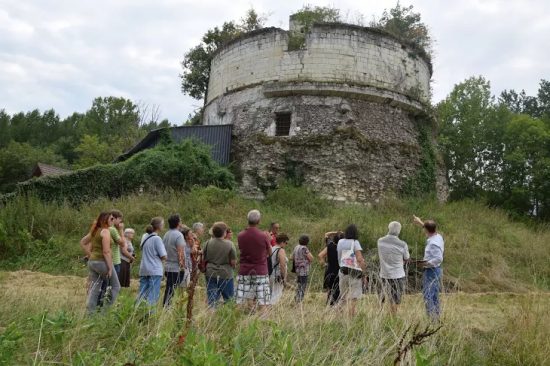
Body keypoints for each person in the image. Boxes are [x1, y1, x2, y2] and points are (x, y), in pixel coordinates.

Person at [80, 212, 120, 313]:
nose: (113, 221)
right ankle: (104, 312)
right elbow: (106, 251)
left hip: (92, 262)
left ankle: (90, 312)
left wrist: (90, 255)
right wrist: (110, 267)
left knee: (94, 288)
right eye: (111, 219)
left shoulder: (95, 230)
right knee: (115, 286)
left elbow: (83, 242)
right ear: (105, 220)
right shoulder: (105, 232)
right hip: (102, 263)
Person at [236, 209, 272, 311]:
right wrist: (268, 240)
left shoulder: (240, 235)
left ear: (248, 220)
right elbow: (270, 253)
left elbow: (242, 250)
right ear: (258, 221)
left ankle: (235, 323)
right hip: (260, 271)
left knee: (240, 300)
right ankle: (264, 323)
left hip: (244, 271)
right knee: (263, 302)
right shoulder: (263, 235)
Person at [413, 215, 445, 320]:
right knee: (434, 293)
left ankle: (431, 318)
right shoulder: (437, 236)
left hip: (431, 270)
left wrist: (424, 264)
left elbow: (438, 258)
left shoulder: (433, 243)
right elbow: (429, 229)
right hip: (435, 270)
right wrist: (420, 222)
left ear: (427, 230)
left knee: (428, 294)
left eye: (424, 228)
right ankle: (436, 316)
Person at [377, 221, 410, 314]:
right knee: (395, 298)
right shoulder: (403, 244)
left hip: (384, 274)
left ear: (389, 228)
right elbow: (407, 258)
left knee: (382, 297)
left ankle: (381, 314)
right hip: (398, 274)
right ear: (399, 231)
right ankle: (393, 316)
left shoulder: (380, 241)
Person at [203, 222, 237, 308]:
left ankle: (211, 316)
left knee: (212, 297)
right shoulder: (230, 244)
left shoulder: (208, 243)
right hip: (225, 273)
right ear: (224, 232)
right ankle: (227, 316)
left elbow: (204, 258)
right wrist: (233, 267)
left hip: (210, 273)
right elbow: (233, 262)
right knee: (228, 298)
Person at [137, 217, 167, 306]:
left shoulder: (144, 236)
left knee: (142, 294)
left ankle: (137, 313)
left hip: (144, 269)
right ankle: (149, 315)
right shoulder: (157, 239)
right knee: (152, 295)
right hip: (154, 269)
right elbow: (163, 256)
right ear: (159, 226)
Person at [337, 224, 366, 316]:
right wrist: (363, 272)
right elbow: (359, 259)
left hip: (342, 270)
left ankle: (338, 314)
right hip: (354, 272)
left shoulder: (340, 241)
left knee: (343, 296)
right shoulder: (355, 242)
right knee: (353, 297)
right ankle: (351, 316)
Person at [162, 214, 186, 307]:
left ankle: (166, 306)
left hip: (167, 265)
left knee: (169, 288)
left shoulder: (166, 234)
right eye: (180, 221)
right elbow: (180, 251)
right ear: (178, 223)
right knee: (172, 289)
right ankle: (167, 307)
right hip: (176, 267)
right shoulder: (179, 235)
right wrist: (182, 265)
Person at [318, 231, 343, 306]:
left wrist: (324, 264)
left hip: (329, 270)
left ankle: (329, 304)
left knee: (330, 289)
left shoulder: (330, 246)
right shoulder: (342, 248)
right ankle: (336, 305)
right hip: (339, 270)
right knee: (338, 289)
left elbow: (320, 255)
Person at [292, 235, 314, 303]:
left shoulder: (296, 247)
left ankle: (296, 299)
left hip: (297, 269)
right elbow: (311, 258)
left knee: (298, 285)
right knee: (302, 286)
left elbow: (292, 257)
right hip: (303, 270)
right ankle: (299, 302)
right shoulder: (304, 248)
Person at [270, 233, 289, 305]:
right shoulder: (281, 250)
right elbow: (282, 265)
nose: (286, 245)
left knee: (271, 293)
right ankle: (272, 312)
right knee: (277, 295)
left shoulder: (271, 248)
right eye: (286, 243)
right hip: (277, 275)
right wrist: (283, 277)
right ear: (282, 242)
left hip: (271, 274)